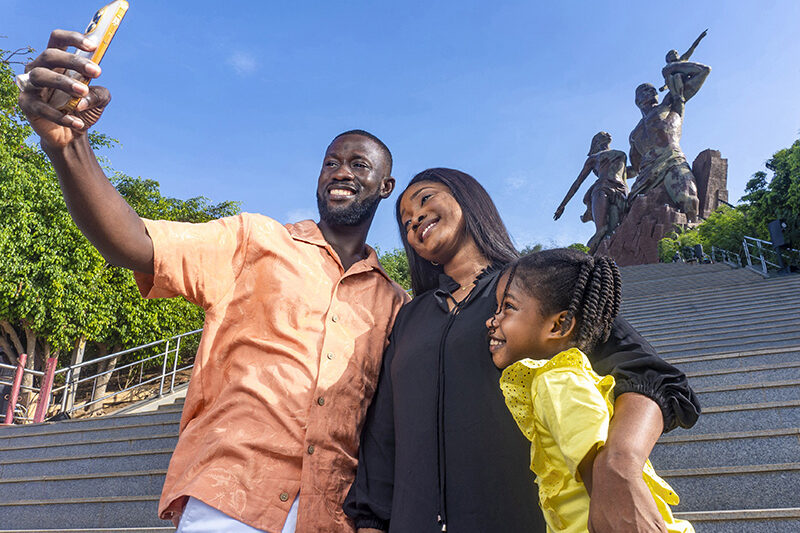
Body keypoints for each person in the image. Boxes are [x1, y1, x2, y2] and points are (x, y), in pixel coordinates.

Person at [17, 30, 409, 533]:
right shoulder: (253, 239)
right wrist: (69, 147)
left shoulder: (394, 302)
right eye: (330, 162)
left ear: (386, 186)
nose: (340, 172)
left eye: (358, 165)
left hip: (335, 515)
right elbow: (132, 242)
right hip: (230, 499)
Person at [345, 168, 700, 532]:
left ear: (469, 201)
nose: (415, 217)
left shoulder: (537, 283)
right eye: (405, 221)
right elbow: (383, 434)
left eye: (425, 199)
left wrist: (618, 465)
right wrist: (371, 522)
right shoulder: (408, 317)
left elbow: (651, 375)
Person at [487, 249, 694, 533]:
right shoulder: (563, 377)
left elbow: (602, 480)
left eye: (507, 308)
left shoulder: (557, 381)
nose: (492, 320)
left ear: (559, 325)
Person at [627, 52, 710, 223]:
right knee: (627, 213)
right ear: (637, 100)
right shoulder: (634, 135)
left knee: (689, 200)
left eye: (652, 89)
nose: (650, 91)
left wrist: (672, 68)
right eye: (644, 90)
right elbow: (634, 168)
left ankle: (694, 238)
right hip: (645, 175)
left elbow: (703, 71)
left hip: (672, 160)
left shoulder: (669, 103)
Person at [554, 131, 629, 253]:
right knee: (602, 229)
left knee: (616, 230)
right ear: (597, 142)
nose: (608, 133)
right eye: (602, 134)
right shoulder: (593, 158)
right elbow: (578, 182)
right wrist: (562, 205)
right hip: (602, 189)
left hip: (621, 191)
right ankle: (585, 260)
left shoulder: (621, 153)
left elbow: (629, 172)